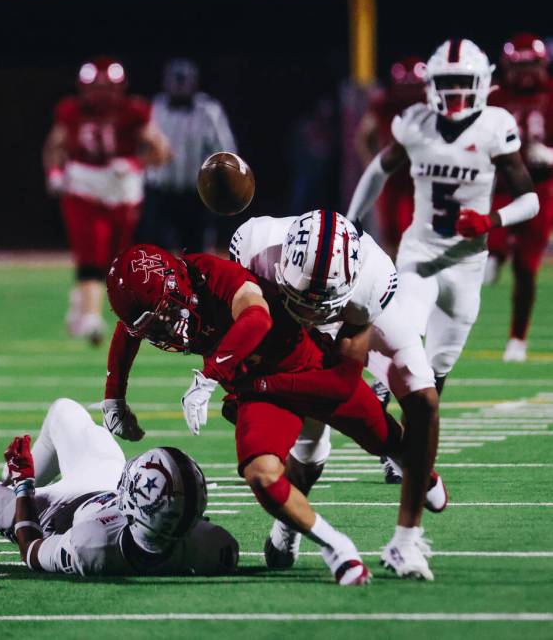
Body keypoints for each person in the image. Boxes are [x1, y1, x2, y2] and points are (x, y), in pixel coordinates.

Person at [102, 243, 446, 585]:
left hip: (308, 370)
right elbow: (127, 332)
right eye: (152, 327)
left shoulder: (211, 274)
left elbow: (257, 317)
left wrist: (210, 374)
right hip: (258, 388)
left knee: (387, 441)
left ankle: (419, 474)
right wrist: (113, 397)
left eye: (162, 316)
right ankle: (338, 550)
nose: (164, 331)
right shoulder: (165, 301)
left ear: (178, 285)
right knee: (261, 474)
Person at [230, 209, 444, 580]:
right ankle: (290, 522)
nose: (309, 312)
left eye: (317, 304)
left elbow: (341, 387)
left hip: (349, 318)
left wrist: (259, 385)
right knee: (310, 448)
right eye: (302, 299)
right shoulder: (254, 247)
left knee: (423, 397)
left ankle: (406, 540)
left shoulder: (371, 281)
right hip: (281, 325)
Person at [347, 38, 539, 396]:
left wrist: (490, 220)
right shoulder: (417, 123)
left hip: (467, 263)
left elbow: (530, 200)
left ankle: (410, 442)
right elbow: (378, 169)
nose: (454, 90)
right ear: (432, 84)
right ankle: (380, 400)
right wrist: (352, 217)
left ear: (482, 83)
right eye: (447, 81)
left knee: (438, 366)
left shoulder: (495, 126)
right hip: (421, 252)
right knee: (404, 329)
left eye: (462, 81)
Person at [0, 398, 238, 576]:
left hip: (54, 515)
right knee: (64, 411)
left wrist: (25, 486)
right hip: (101, 490)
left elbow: (31, 551)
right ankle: (4, 482)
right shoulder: (214, 546)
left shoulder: (93, 545)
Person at [43, 57, 170, 345]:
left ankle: (84, 302)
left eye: (106, 87)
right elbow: (55, 145)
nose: (101, 94)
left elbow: (163, 152)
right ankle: (90, 315)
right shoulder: (71, 111)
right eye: (95, 87)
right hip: (84, 185)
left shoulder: (135, 111)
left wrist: (136, 164)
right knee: (91, 254)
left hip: (121, 188)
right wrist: (54, 172)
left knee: (118, 258)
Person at [486, 33, 553, 362]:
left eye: (531, 65)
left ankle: (517, 338)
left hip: (540, 189)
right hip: (498, 187)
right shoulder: (493, 96)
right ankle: (495, 255)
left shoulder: (551, 95)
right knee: (487, 250)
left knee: (527, 269)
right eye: (519, 66)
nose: (525, 73)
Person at [143, 58, 237, 252]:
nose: (179, 86)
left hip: (195, 194)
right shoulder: (155, 107)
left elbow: (226, 150)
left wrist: (218, 185)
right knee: (154, 254)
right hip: (159, 192)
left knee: (196, 254)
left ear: (194, 82)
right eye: (175, 80)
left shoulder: (209, 110)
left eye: (183, 80)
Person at [354, 57, 427, 258]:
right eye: (406, 87)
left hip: (424, 178)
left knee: (424, 234)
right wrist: (373, 165)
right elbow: (363, 136)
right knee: (392, 236)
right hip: (393, 180)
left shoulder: (432, 105)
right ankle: (394, 278)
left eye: (414, 87)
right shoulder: (384, 103)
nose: (410, 93)